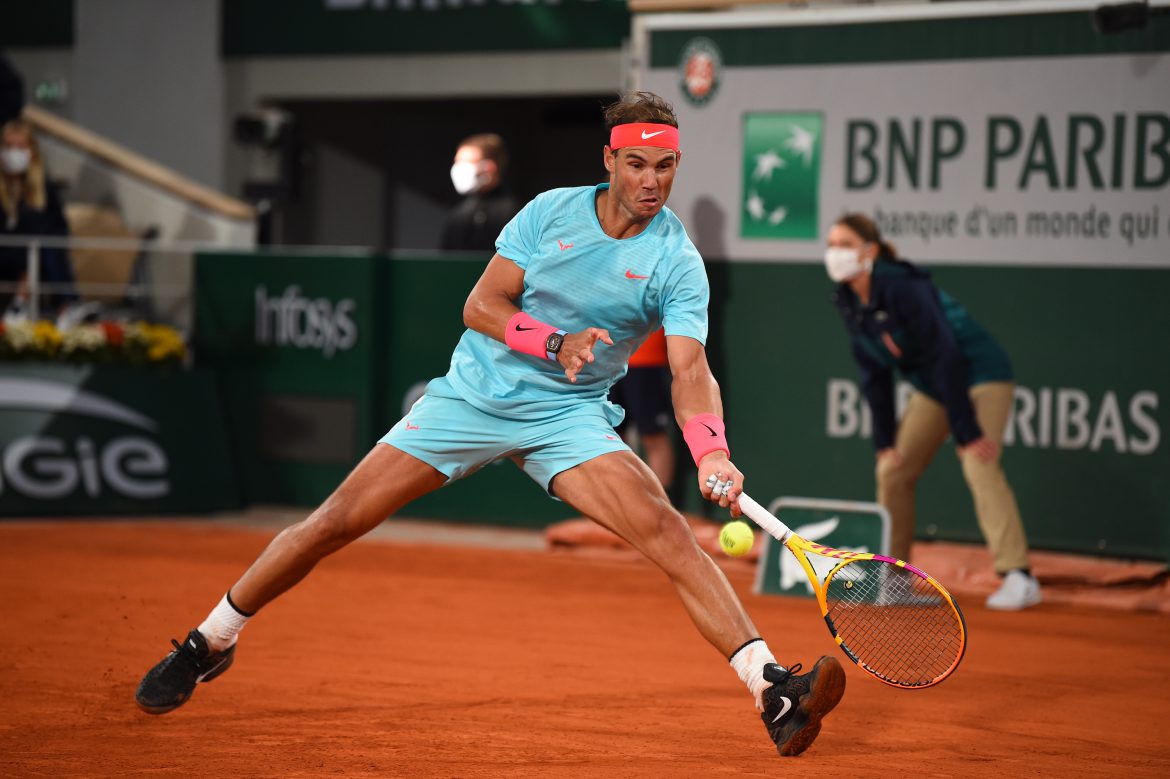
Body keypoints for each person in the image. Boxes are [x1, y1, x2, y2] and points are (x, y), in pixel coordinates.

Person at [135, 92, 846, 758]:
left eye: (664, 165)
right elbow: (481, 305)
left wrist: (711, 450)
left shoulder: (676, 259)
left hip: (568, 417)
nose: (650, 180)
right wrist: (554, 342)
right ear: (609, 159)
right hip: (474, 395)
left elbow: (691, 371)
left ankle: (773, 693)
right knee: (336, 520)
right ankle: (209, 641)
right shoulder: (548, 214)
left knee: (666, 532)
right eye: (636, 162)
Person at [825, 212, 1041, 610]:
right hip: (935, 386)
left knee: (978, 461)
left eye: (845, 245)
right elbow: (873, 371)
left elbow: (945, 353)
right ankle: (895, 579)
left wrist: (965, 429)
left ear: (870, 251)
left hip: (981, 372)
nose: (834, 253)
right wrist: (885, 440)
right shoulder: (848, 299)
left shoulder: (904, 287)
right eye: (831, 245)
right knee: (892, 468)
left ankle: (1018, 575)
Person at [0, 118, 76, 316]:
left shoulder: (45, 189)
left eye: (20, 147)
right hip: (5, 252)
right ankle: (21, 302)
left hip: (36, 254)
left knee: (51, 248)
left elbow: (59, 228)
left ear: (31, 151)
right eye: (8, 147)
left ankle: (67, 310)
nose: (13, 153)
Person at [609, 327, 677, 496]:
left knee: (653, 435)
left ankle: (663, 505)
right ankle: (623, 503)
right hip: (606, 360)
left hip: (647, 359)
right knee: (610, 440)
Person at [439, 132, 518, 253]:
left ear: (489, 167)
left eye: (467, 162)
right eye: (457, 162)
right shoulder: (457, 215)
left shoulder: (514, 214)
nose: (458, 168)